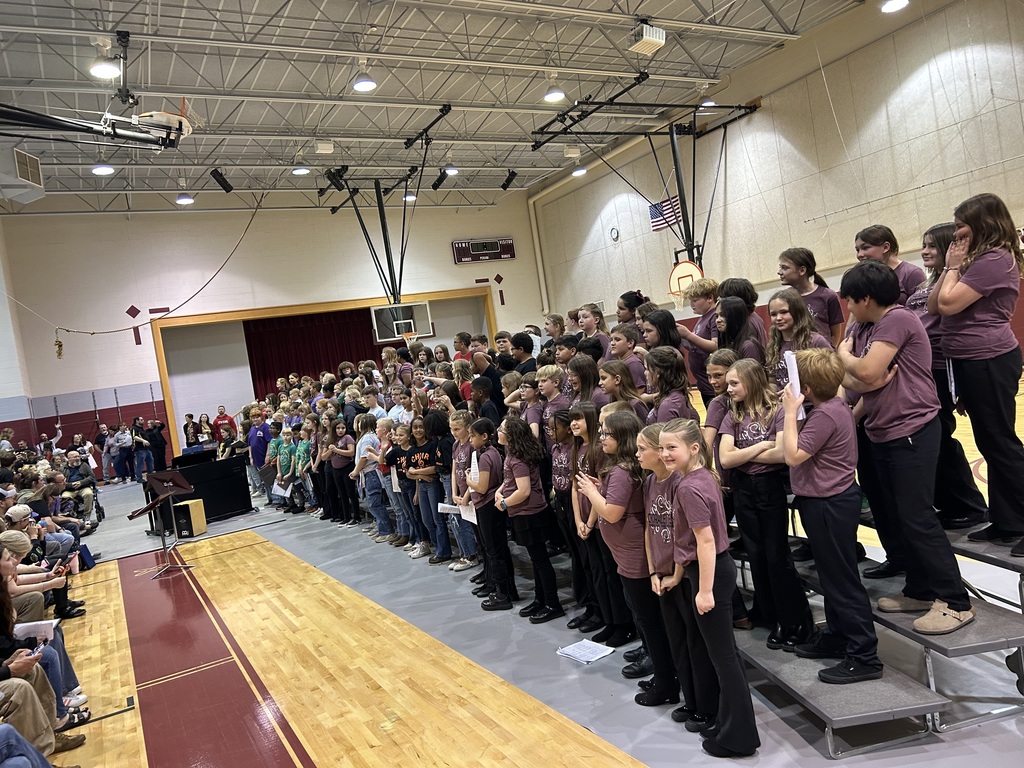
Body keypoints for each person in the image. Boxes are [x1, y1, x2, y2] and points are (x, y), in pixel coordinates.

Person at [839, 260, 974, 634]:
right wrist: (858, 369)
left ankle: (955, 602)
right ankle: (920, 589)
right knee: (898, 517)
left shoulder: (895, 320)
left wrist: (848, 357)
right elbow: (861, 380)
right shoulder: (865, 327)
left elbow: (862, 373)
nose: (847, 308)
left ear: (865, 298)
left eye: (850, 300)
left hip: (912, 429)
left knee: (917, 517)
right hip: (882, 430)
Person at [658, 419, 761, 759]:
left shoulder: (688, 487)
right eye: (661, 447)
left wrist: (704, 591)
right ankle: (728, 723)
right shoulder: (700, 477)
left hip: (709, 573)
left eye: (671, 447)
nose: (665, 454)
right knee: (723, 656)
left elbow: (704, 541)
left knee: (724, 659)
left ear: (694, 448)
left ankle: (740, 737)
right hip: (711, 570)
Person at [781, 349, 882, 684]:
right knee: (832, 577)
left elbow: (794, 455)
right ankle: (839, 637)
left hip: (829, 504)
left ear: (806, 389)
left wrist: (788, 411)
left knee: (842, 582)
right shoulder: (835, 403)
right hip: (828, 501)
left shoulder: (824, 415)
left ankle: (865, 655)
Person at [935, 193, 1024, 553]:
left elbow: (947, 303)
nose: (956, 234)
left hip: (989, 358)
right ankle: (1007, 521)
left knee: (1001, 442)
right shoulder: (977, 261)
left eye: (961, 226)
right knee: (989, 442)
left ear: (983, 223)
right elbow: (933, 303)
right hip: (970, 361)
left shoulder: (995, 259)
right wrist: (949, 268)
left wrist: (952, 267)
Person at [720, 359, 811, 649]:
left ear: (752, 381)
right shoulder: (732, 414)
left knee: (776, 556)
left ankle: (794, 620)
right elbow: (725, 459)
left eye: (734, 383)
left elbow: (782, 454)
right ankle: (768, 612)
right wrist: (760, 446)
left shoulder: (775, 410)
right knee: (756, 554)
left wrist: (743, 452)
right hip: (743, 489)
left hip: (769, 488)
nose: (728, 388)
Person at [906, 222, 988, 530]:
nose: (924, 251)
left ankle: (971, 505)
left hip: (940, 366)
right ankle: (949, 503)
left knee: (941, 436)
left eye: (931, 245)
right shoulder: (925, 284)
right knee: (931, 440)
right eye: (923, 245)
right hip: (919, 369)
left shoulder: (959, 280)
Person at [496, 417, 561, 622]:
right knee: (536, 560)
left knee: (540, 561)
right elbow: (510, 482)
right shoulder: (513, 454)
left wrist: (505, 503)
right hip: (524, 513)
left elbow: (523, 491)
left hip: (529, 515)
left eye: (502, 428)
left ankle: (552, 603)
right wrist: (500, 491)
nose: (498, 431)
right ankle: (540, 599)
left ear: (511, 435)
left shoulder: (518, 459)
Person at [465, 419, 515, 609]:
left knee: (494, 551)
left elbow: (482, 486)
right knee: (498, 549)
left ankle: (502, 595)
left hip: (487, 506)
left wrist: (469, 479)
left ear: (484, 436)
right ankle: (506, 590)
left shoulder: (486, 457)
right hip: (491, 506)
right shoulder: (493, 452)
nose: (470, 440)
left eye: (472, 436)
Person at [764, 289, 831, 391]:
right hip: (784, 403)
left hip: (812, 404)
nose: (778, 318)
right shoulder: (773, 345)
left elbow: (832, 375)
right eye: (773, 314)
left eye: (784, 312)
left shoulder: (815, 341)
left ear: (797, 312)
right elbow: (773, 380)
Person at [777, 247, 844, 346]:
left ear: (802, 270)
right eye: (780, 267)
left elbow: (835, 333)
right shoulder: (784, 299)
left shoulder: (828, 296)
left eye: (785, 268)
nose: (779, 272)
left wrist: (828, 352)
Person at [855, 224, 924, 306]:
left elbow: (921, 311)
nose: (860, 254)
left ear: (885, 247)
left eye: (865, 248)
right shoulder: (863, 277)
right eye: (857, 250)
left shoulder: (911, 273)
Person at [677, 278, 720, 406]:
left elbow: (715, 346)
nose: (691, 304)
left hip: (712, 386)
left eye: (695, 300)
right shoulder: (702, 318)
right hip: (703, 382)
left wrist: (688, 335)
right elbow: (696, 346)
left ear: (710, 298)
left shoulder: (714, 316)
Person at [643, 348, 698, 425]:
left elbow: (664, 436)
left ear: (657, 372)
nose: (645, 373)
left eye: (647, 369)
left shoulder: (668, 405)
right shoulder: (677, 395)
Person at [716, 297, 765, 364]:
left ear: (735, 316)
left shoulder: (749, 346)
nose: (717, 320)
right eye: (716, 316)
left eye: (723, 315)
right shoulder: (729, 343)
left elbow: (750, 374)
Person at [607, 324, 647, 390]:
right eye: (611, 340)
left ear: (630, 343)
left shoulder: (633, 363)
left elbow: (639, 391)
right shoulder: (621, 362)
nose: (612, 343)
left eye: (617, 340)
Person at [59, 453, 95, 523]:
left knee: (88, 494)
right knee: (64, 497)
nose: (78, 458)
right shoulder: (62, 469)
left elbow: (91, 477)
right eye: (75, 457)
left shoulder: (84, 465)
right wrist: (71, 485)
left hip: (83, 487)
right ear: (69, 458)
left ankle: (87, 515)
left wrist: (81, 482)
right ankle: (71, 515)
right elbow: (60, 483)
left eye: (78, 456)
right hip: (69, 490)